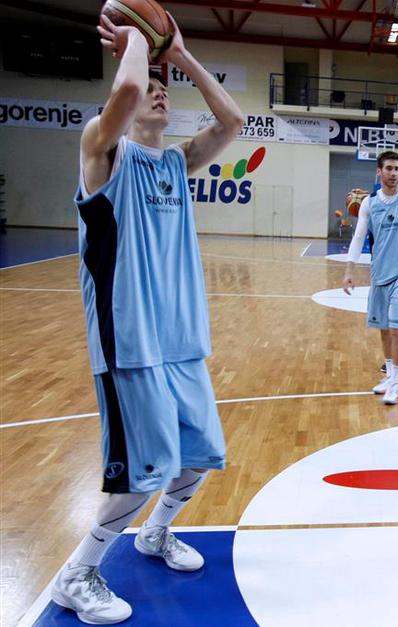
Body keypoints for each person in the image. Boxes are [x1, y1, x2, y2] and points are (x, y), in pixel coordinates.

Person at [53, 15, 244, 624]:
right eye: (152, 87)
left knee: (199, 455)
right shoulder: (101, 151)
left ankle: (155, 533)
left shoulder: (175, 165)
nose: (160, 92)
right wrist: (136, 36)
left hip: (181, 340)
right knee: (142, 471)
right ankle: (76, 574)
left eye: (168, 89)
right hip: (129, 341)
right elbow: (131, 87)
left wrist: (180, 56)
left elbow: (233, 123)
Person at [343, 152, 398, 405]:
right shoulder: (369, 203)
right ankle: (389, 375)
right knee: (383, 329)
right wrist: (348, 271)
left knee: (396, 328)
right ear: (378, 172)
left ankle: (396, 383)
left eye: (397, 169)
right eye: (389, 168)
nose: (393, 173)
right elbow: (358, 238)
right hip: (379, 275)